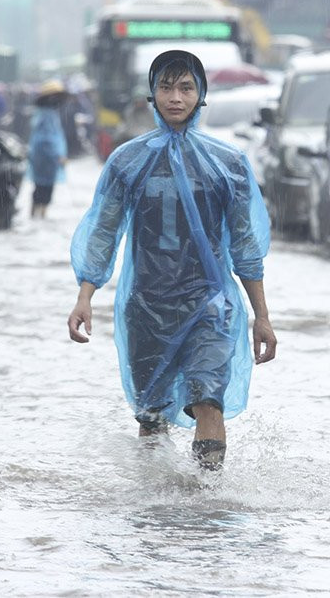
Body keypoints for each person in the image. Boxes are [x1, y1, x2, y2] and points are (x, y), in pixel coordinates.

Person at [67, 49, 276, 471]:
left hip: (211, 303)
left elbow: (245, 246)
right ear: (152, 94)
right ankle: (155, 504)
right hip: (147, 303)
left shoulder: (228, 164)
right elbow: (104, 231)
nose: (175, 97)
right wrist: (84, 295)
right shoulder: (127, 161)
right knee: (152, 415)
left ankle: (207, 500)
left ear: (201, 95)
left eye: (185, 87)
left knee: (207, 399)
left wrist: (262, 316)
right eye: (166, 87)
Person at [27, 80, 68, 219]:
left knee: (39, 185)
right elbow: (48, 138)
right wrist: (57, 155)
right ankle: (39, 215)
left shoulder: (43, 113)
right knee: (45, 187)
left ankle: (35, 214)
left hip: (40, 155)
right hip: (47, 156)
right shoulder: (47, 115)